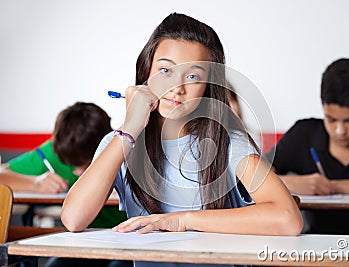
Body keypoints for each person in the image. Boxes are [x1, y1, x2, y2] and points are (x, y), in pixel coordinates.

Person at [61, 13, 302, 267]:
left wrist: (181, 220)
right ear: (147, 70)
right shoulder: (120, 141)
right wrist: (130, 129)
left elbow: (288, 218)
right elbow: (74, 218)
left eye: (193, 77)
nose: (177, 87)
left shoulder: (228, 142)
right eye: (165, 70)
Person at [265, 58, 349, 235]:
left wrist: (334, 187)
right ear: (323, 107)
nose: (340, 131)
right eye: (331, 119)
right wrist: (293, 183)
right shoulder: (304, 134)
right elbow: (254, 177)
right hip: (314, 246)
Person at [0, 102, 130, 267]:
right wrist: (35, 183)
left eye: (83, 164)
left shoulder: (120, 149)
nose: (76, 172)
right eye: (69, 163)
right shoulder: (55, 150)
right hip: (83, 240)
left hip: (126, 240)